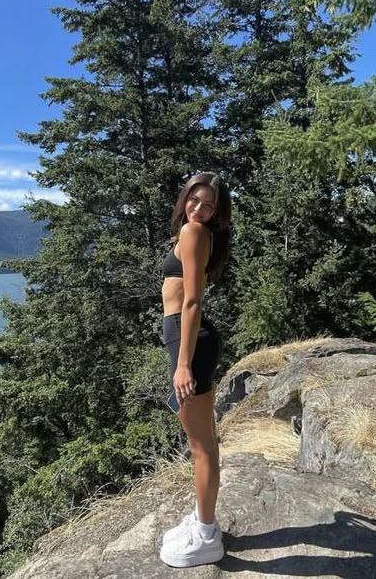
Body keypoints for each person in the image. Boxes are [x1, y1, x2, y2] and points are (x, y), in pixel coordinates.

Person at [159, 171, 232, 568]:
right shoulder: (194, 234)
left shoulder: (193, 233)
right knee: (201, 441)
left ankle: (206, 535)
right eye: (195, 200)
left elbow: (191, 302)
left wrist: (183, 364)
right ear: (184, 196)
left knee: (201, 446)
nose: (200, 209)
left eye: (209, 205)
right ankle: (204, 520)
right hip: (188, 339)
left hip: (190, 341)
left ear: (218, 210)